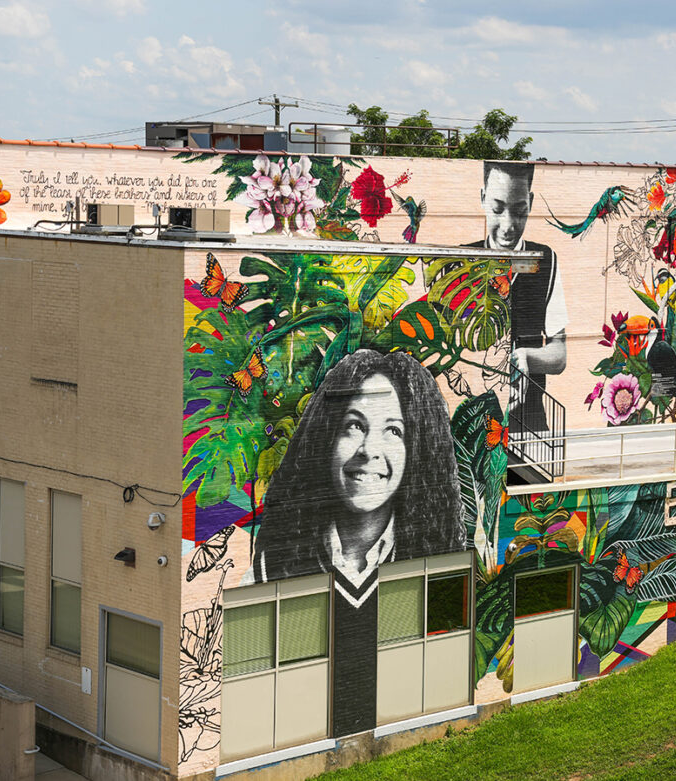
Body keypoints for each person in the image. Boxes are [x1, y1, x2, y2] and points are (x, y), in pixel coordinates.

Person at [251, 349, 464, 736]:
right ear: (326, 436)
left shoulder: (431, 559)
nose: (370, 449)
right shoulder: (272, 562)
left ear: (419, 447)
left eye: (393, 431)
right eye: (354, 426)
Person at [466, 161, 568, 429]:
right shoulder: (461, 262)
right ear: (482, 198)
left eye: (520, 212)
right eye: (497, 209)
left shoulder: (545, 261)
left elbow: (559, 355)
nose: (508, 226)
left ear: (531, 202)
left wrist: (526, 357)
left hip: (529, 422)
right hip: (473, 427)